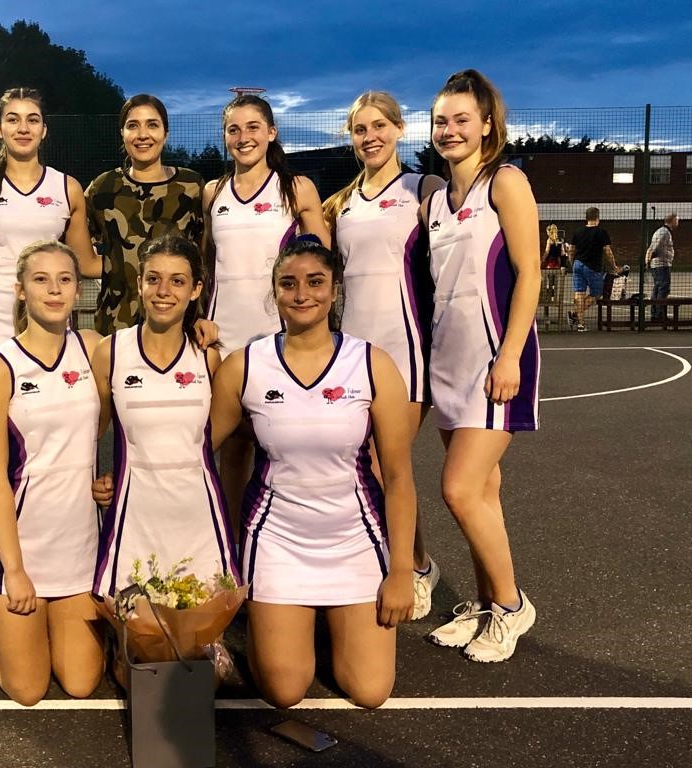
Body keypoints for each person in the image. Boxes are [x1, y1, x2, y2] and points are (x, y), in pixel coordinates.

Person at [207, 238, 417, 708]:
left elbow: (400, 477)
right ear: (275, 293)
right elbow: (196, 451)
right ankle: (292, 621)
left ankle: (328, 621)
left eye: (315, 282)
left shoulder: (371, 363)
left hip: (355, 540)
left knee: (370, 692)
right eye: (289, 283)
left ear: (335, 289)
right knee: (284, 692)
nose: (302, 294)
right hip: (277, 541)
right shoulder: (245, 366)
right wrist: (120, 477)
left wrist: (401, 570)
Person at [422, 69, 540, 662]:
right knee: (484, 491)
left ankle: (513, 606)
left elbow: (530, 273)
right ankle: (485, 601)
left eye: (462, 119)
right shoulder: (435, 201)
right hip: (447, 361)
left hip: (494, 360)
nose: (450, 129)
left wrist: (511, 353)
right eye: (441, 120)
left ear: (488, 123)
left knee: (460, 489)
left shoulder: (506, 182)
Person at [322, 91, 444, 620]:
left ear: (399, 129)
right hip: (354, 352)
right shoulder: (340, 203)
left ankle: (414, 566)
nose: (369, 136)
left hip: (406, 349)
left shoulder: (426, 189)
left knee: (383, 463)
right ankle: (407, 557)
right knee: (358, 463)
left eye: (379, 126)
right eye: (359, 129)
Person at [0, 241, 104, 704]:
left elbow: (157, 353)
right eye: (40, 279)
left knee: (83, 683)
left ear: (77, 290)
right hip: (20, 547)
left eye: (65, 279)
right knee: (28, 691)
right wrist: (16, 570)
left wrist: (200, 328)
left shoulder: (92, 348)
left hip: (79, 547)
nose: (54, 289)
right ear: (21, 290)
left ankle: (30, 631)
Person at [203, 93, 330, 532]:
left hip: (279, 341)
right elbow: (208, 265)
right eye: (234, 129)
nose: (244, 137)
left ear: (272, 132)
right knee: (232, 451)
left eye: (253, 127)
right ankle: (234, 549)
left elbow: (325, 266)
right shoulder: (212, 192)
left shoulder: (296, 189)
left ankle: (290, 543)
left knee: (285, 449)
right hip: (223, 341)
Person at [91, 234, 239, 596]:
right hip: (134, 516)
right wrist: (95, 480)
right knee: (136, 638)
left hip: (197, 514)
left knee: (198, 636)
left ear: (195, 289)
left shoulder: (208, 357)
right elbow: (90, 432)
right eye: (153, 278)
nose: (163, 291)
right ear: (139, 283)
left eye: (177, 281)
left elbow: (207, 439)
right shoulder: (110, 351)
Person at [0, 87, 99, 372]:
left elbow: (85, 262)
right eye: (13, 120)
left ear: (44, 130)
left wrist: (139, 264)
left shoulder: (67, 188)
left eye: (32, 120)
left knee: (52, 406)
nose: (23, 128)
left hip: (53, 311)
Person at [86, 94, 205, 335]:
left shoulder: (192, 186)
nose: (142, 135)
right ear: (122, 133)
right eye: (133, 125)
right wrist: (116, 265)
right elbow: (80, 254)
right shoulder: (103, 187)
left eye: (152, 124)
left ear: (166, 133)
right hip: (116, 327)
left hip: (179, 327)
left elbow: (203, 258)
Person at [567, 206, 618, 331]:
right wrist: (614, 266)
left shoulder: (578, 232)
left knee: (579, 293)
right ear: (598, 218)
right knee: (596, 294)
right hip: (593, 266)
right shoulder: (601, 232)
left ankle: (580, 323)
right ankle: (575, 315)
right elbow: (607, 251)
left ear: (586, 217)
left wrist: (572, 262)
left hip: (578, 264)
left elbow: (571, 250)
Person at [646, 212, 680, 322]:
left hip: (659, 264)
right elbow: (654, 247)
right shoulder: (664, 233)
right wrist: (649, 259)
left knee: (658, 288)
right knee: (663, 288)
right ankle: (659, 314)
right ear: (673, 221)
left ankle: (655, 314)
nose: (678, 223)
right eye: (677, 220)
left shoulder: (661, 231)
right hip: (661, 265)